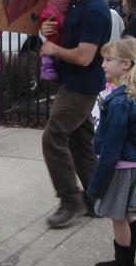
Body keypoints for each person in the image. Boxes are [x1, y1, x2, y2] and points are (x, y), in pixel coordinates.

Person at [40, 0, 112, 228]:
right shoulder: (76, 3)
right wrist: (48, 31)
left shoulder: (95, 10)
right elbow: (63, 33)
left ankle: (71, 201)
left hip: (81, 87)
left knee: (52, 137)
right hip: (71, 82)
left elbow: (84, 57)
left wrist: (54, 49)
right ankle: (96, 199)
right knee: (81, 143)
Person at [87, 37, 136, 266]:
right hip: (131, 165)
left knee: (118, 217)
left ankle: (123, 262)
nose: (103, 64)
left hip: (121, 169)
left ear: (125, 64)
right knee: (129, 214)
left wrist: (96, 184)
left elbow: (111, 149)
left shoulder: (119, 102)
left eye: (108, 60)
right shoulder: (130, 96)